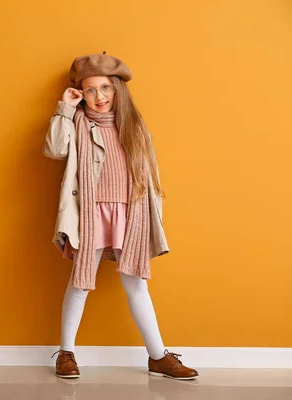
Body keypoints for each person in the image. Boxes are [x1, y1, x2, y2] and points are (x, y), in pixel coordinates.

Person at [43, 52, 198, 380]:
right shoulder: (77, 121)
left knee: (136, 284)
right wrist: (65, 108)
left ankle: (158, 356)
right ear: (80, 94)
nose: (99, 97)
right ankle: (66, 353)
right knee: (81, 282)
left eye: (105, 89)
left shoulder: (135, 125)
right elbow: (55, 149)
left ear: (117, 90)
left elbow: (149, 175)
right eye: (90, 91)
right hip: (90, 211)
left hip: (130, 212)